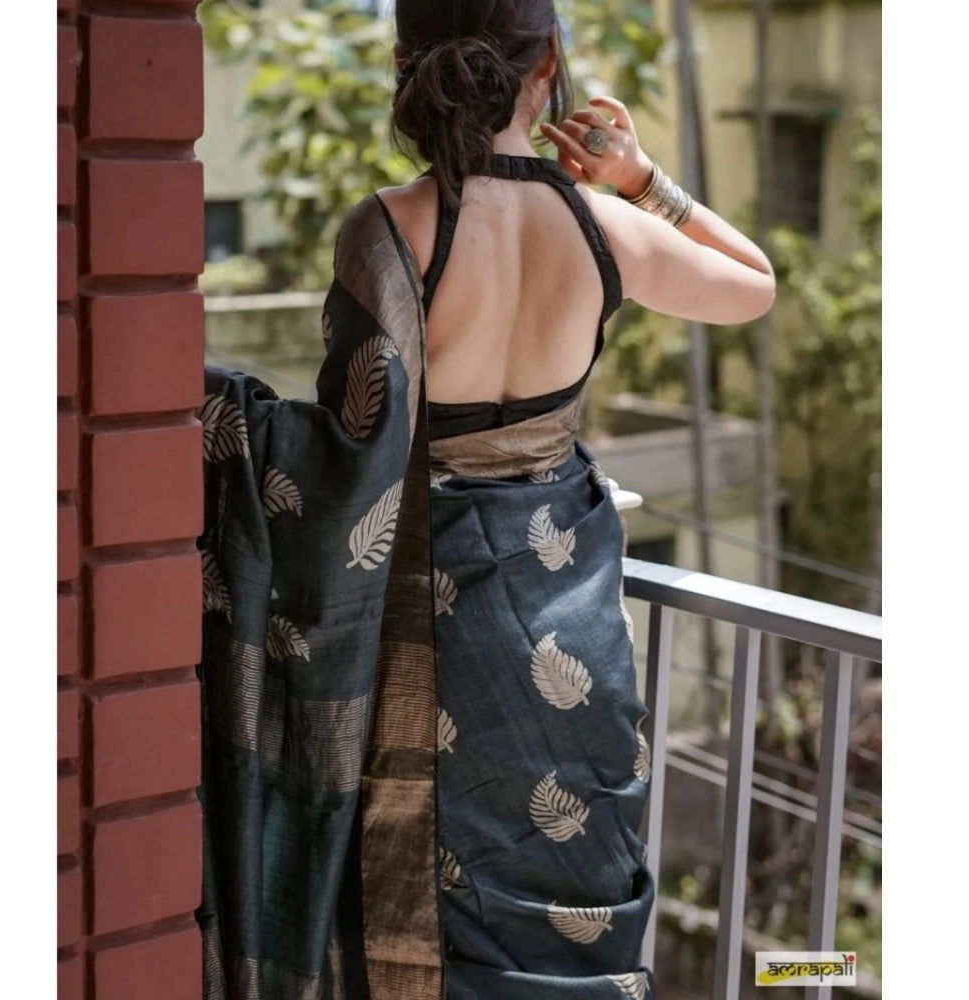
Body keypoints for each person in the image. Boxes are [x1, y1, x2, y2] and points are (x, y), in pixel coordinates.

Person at [196, 2, 774, 999]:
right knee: (570, 894)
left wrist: (203, 407)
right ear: (546, 64)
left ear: (403, 63)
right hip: (571, 625)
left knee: (408, 885)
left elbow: (348, 449)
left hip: (425, 623)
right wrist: (641, 181)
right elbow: (753, 283)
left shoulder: (387, 228)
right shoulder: (605, 226)